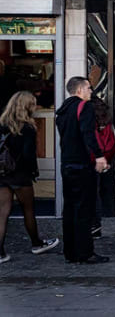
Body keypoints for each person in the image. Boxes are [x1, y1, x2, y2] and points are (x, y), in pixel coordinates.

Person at [0, 91, 59, 262]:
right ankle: (37, 243)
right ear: (27, 107)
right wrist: (33, 172)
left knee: (2, 213)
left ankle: (0, 253)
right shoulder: (27, 128)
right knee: (28, 209)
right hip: (20, 175)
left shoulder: (2, 123)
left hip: (2, 172)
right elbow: (28, 155)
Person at [56, 76, 107, 263]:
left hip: (67, 164)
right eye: (88, 88)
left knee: (70, 208)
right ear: (79, 90)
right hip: (81, 164)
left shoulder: (63, 110)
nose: (91, 91)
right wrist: (99, 155)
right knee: (84, 209)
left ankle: (70, 252)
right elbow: (88, 133)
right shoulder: (84, 107)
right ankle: (85, 252)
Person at [90, 98, 115, 238]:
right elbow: (112, 143)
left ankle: (94, 225)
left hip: (93, 160)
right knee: (101, 189)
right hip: (106, 159)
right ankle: (104, 216)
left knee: (92, 193)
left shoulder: (90, 123)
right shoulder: (107, 123)